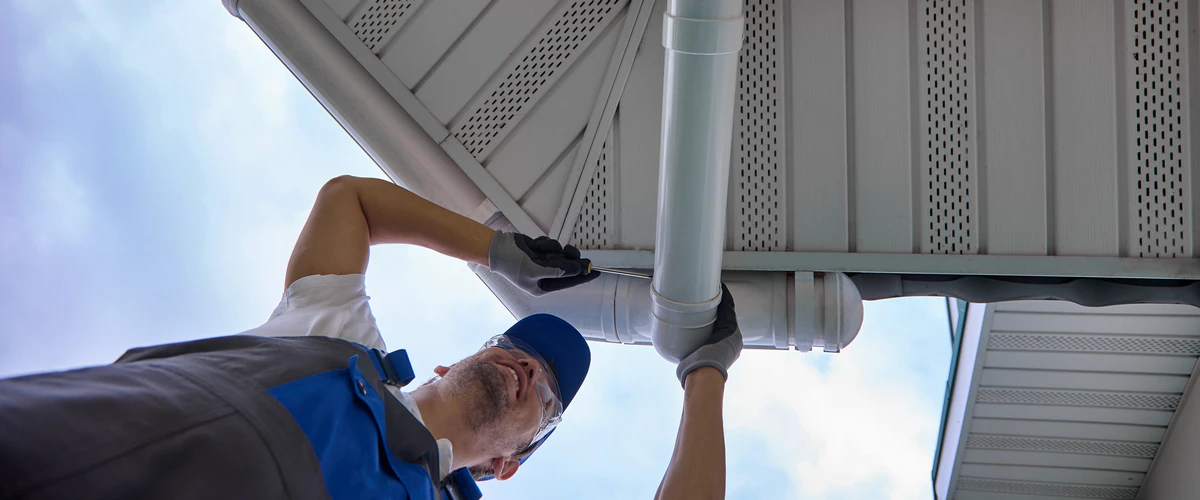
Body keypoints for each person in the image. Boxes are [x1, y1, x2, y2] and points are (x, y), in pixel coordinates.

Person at [0, 175, 743, 500]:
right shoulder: (332, 335)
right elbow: (348, 201)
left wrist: (704, 375)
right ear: (455, 361)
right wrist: (496, 250)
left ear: (512, 465)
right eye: (514, 348)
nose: (526, 366)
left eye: (544, 392)